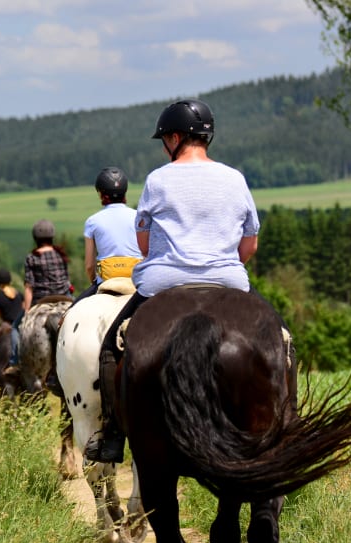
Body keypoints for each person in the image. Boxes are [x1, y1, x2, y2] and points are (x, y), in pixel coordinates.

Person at [83, 99, 261, 463]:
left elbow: (144, 243)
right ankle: (284, 419)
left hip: (164, 284)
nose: (165, 145)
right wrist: (221, 267)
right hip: (227, 281)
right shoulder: (235, 178)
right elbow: (250, 243)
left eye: (165, 138)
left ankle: (114, 435)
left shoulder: (158, 180)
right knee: (282, 339)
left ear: (176, 137)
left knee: (111, 347)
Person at [76, 166, 142, 302]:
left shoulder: (92, 221)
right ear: (125, 191)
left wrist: (94, 282)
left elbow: (89, 265)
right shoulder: (139, 217)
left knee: (70, 312)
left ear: (101, 193)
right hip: (136, 280)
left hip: (105, 281)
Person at [22, 219, 72, 312]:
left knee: (15, 326)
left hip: (41, 300)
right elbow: (67, 281)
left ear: (35, 238)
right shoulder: (60, 254)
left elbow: (29, 287)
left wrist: (27, 310)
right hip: (64, 297)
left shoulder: (32, 258)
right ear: (52, 237)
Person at [0, 268, 24, 372]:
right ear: (10, 281)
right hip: (21, 324)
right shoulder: (19, 295)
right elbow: (23, 309)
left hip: (6, 325)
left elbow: (0, 316)